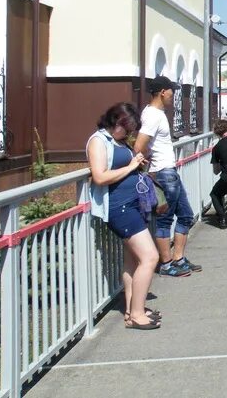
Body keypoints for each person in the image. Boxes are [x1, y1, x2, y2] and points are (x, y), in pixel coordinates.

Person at [86, 102, 160, 329]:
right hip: (120, 208)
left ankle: (131, 310)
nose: (128, 133)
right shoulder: (98, 141)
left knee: (133, 260)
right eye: (126, 128)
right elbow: (100, 177)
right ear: (115, 121)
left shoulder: (117, 141)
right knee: (150, 257)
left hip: (132, 204)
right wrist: (130, 166)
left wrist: (137, 164)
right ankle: (137, 314)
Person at [134, 76, 200, 277]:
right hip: (163, 173)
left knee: (186, 215)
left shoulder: (156, 113)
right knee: (165, 220)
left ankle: (178, 258)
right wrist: (145, 159)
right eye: (171, 91)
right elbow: (139, 145)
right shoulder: (153, 115)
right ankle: (166, 263)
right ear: (163, 91)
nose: (173, 95)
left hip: (168, 171)